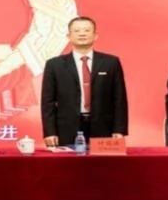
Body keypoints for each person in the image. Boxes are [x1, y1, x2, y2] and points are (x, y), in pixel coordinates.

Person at [41, 16, 128, 147]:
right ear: (69, 36)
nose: (82, 34)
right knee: (68, 160)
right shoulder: (54, 65)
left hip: (104, 127)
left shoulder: (111, 62)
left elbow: (119, 99)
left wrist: (119, 130)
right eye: (77, 31)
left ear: (95, 36)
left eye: (87, 30)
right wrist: (50, 132)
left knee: (103, 161)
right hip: (66, 128)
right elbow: (47, 102)